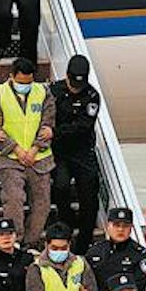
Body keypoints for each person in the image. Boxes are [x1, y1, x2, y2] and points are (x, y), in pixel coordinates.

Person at [0, 55, 54, 243]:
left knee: (42, 204)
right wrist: (16, 149)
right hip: (9, 158)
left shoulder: (43, 92)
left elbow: (48, 123)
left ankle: (30, 242)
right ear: (11, 76)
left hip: (39, 158)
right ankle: (15, 242)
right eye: (21, 82)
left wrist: (34, 149)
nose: (25, 85)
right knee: (14, 200)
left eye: (29, 82)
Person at [50, 54, 103, 243]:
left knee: (89, 193)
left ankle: (85, 238)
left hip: (82, 151)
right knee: (61, 186)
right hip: (60, 152)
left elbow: (84, 126)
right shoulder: (54, 91)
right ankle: (66, 222)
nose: (75, 89)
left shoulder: (92, 96)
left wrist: (56, 131)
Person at [85, 206, 146, 291]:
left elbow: (139, 286)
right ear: (108, 226)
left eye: (125, 226)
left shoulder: (139, 254)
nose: (120, 229)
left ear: (131, 228)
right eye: (116, 225)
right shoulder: (94, 251)